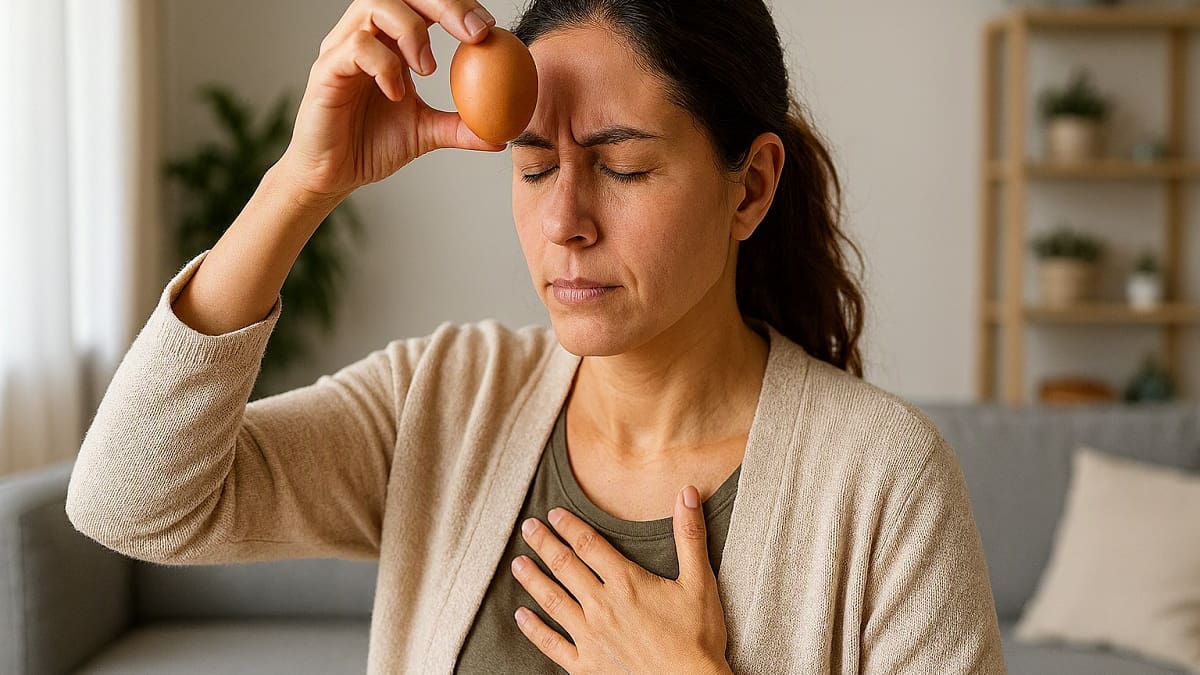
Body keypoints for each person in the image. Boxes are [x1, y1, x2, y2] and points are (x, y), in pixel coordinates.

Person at [65, 0, 1007, 672]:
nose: (565, 221)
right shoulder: (443, 398)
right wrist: (302, 184)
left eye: (625, 169)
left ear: (750, 187)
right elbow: (130, 502)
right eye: (531, 167)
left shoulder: (884, 480)